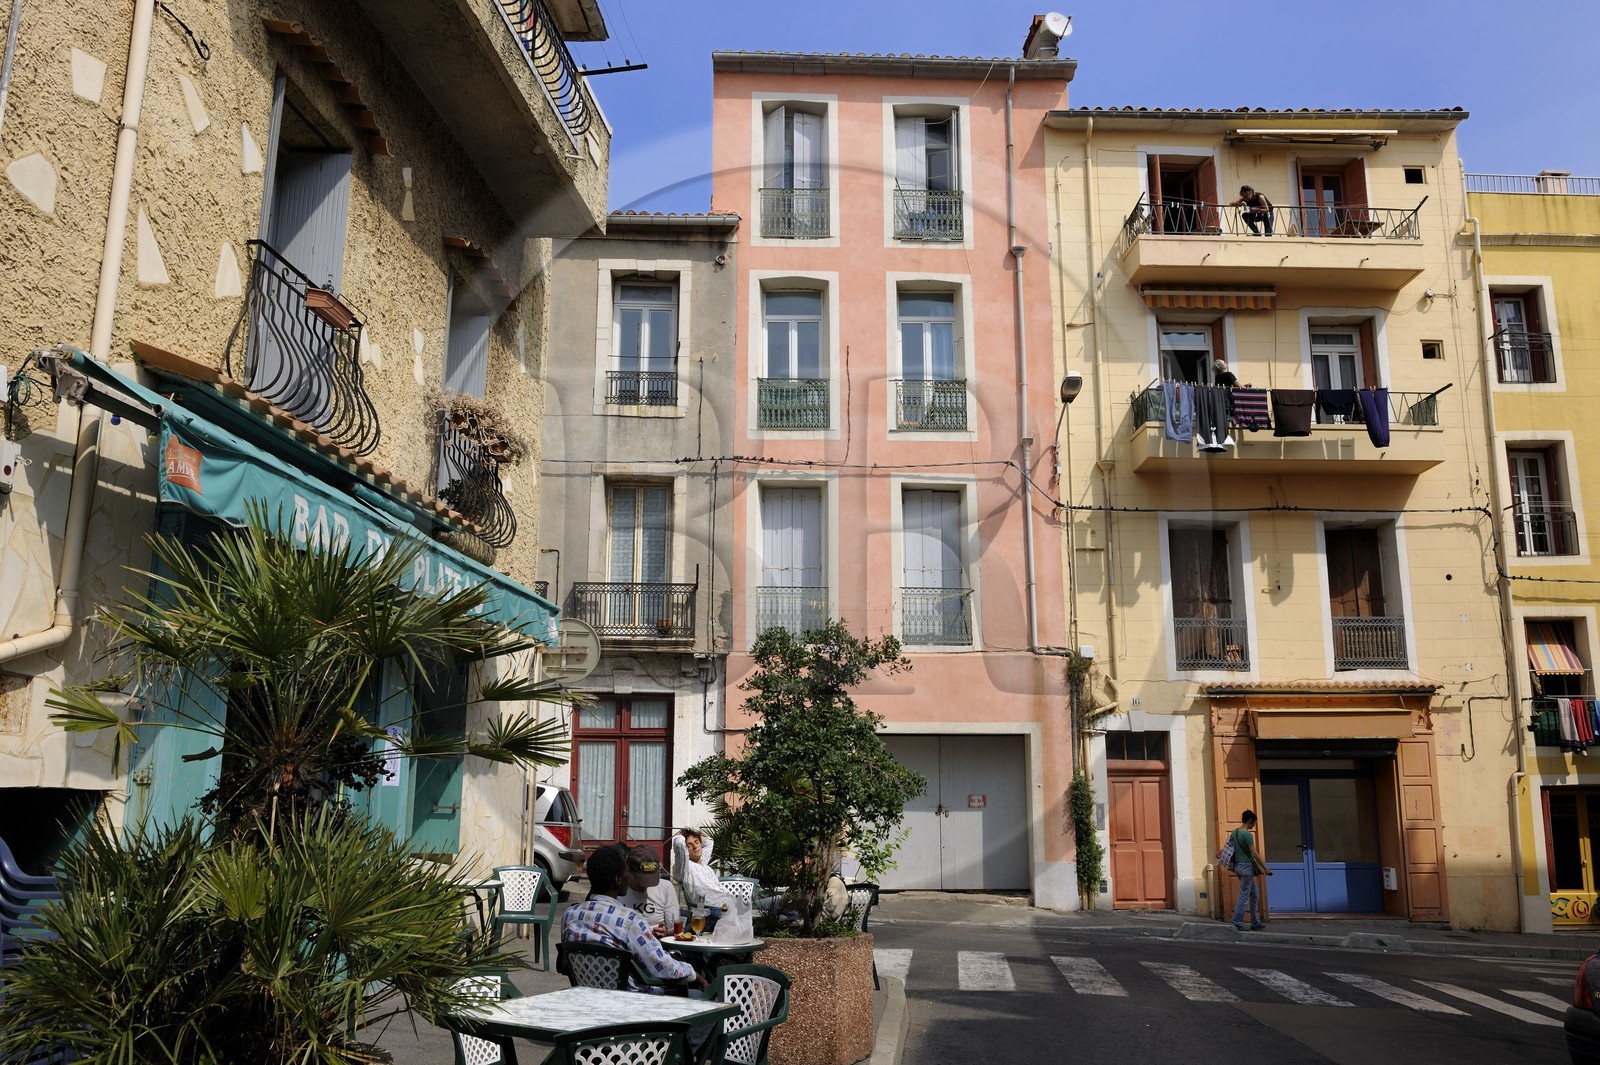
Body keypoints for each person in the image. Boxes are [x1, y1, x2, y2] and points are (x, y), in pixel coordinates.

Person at [560, 844, 704, 991]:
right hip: (631, 1000)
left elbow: (565, 966)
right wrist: (696, 975)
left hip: (587, 994)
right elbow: (663, 967)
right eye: (626, 872)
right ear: (618, 879)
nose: (628, 876)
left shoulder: (569, 915)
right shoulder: (629, 920)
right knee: (698, 994)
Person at [618, 844, 680, 933]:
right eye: (640, 880)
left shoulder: (665, 887)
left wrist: (666, 932)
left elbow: (674, 928)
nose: (644, 886)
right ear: (628, 870)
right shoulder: (617, 887)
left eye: (650, 880)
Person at [1228, 810, 1273, 931]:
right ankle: (1237, 922)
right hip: (1246, 867)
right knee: (1244, 895)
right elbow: (1254, 853)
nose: (1254, 826)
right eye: (1254, 823)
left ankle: (1255, 922)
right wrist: (1265, 868)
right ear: (1250, 821)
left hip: (1237, 866)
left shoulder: (1234, 833)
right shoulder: (1247, 835)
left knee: (1254, 894)